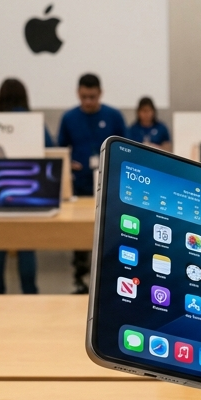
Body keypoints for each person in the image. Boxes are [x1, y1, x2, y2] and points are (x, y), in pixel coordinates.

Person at [58, 73, 126, 293]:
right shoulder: (68, 118)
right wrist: (69, 164)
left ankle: (109, 278)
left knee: (109, 232)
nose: (88, 101)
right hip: (81, 186)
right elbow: (61, 152)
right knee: (79, 233)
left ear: (100, 94)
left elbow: (126, 149)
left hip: (109, 186)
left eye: (92, 97)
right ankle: (79, 278)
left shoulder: (114, 116)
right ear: (78, 93)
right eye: (84, 96)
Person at [0, 77, 50, 295]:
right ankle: (29, 291)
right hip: (28, 187)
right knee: (26, 244)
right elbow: (49, 149)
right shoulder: (33, 122)